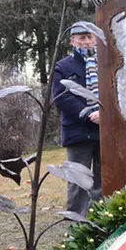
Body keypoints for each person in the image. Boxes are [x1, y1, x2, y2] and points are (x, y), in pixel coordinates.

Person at [52, 22, 102, 216]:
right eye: (82, 38)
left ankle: (100, 220)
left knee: (102, 179)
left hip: (103, 130)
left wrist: (104, 114)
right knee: (78, 182)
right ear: (73, 41)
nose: (87, 42)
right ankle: (77, 224)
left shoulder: (105, 65)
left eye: (90, 37)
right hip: (77, 132)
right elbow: (61, 97)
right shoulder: (63, 67)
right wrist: (88, 113)